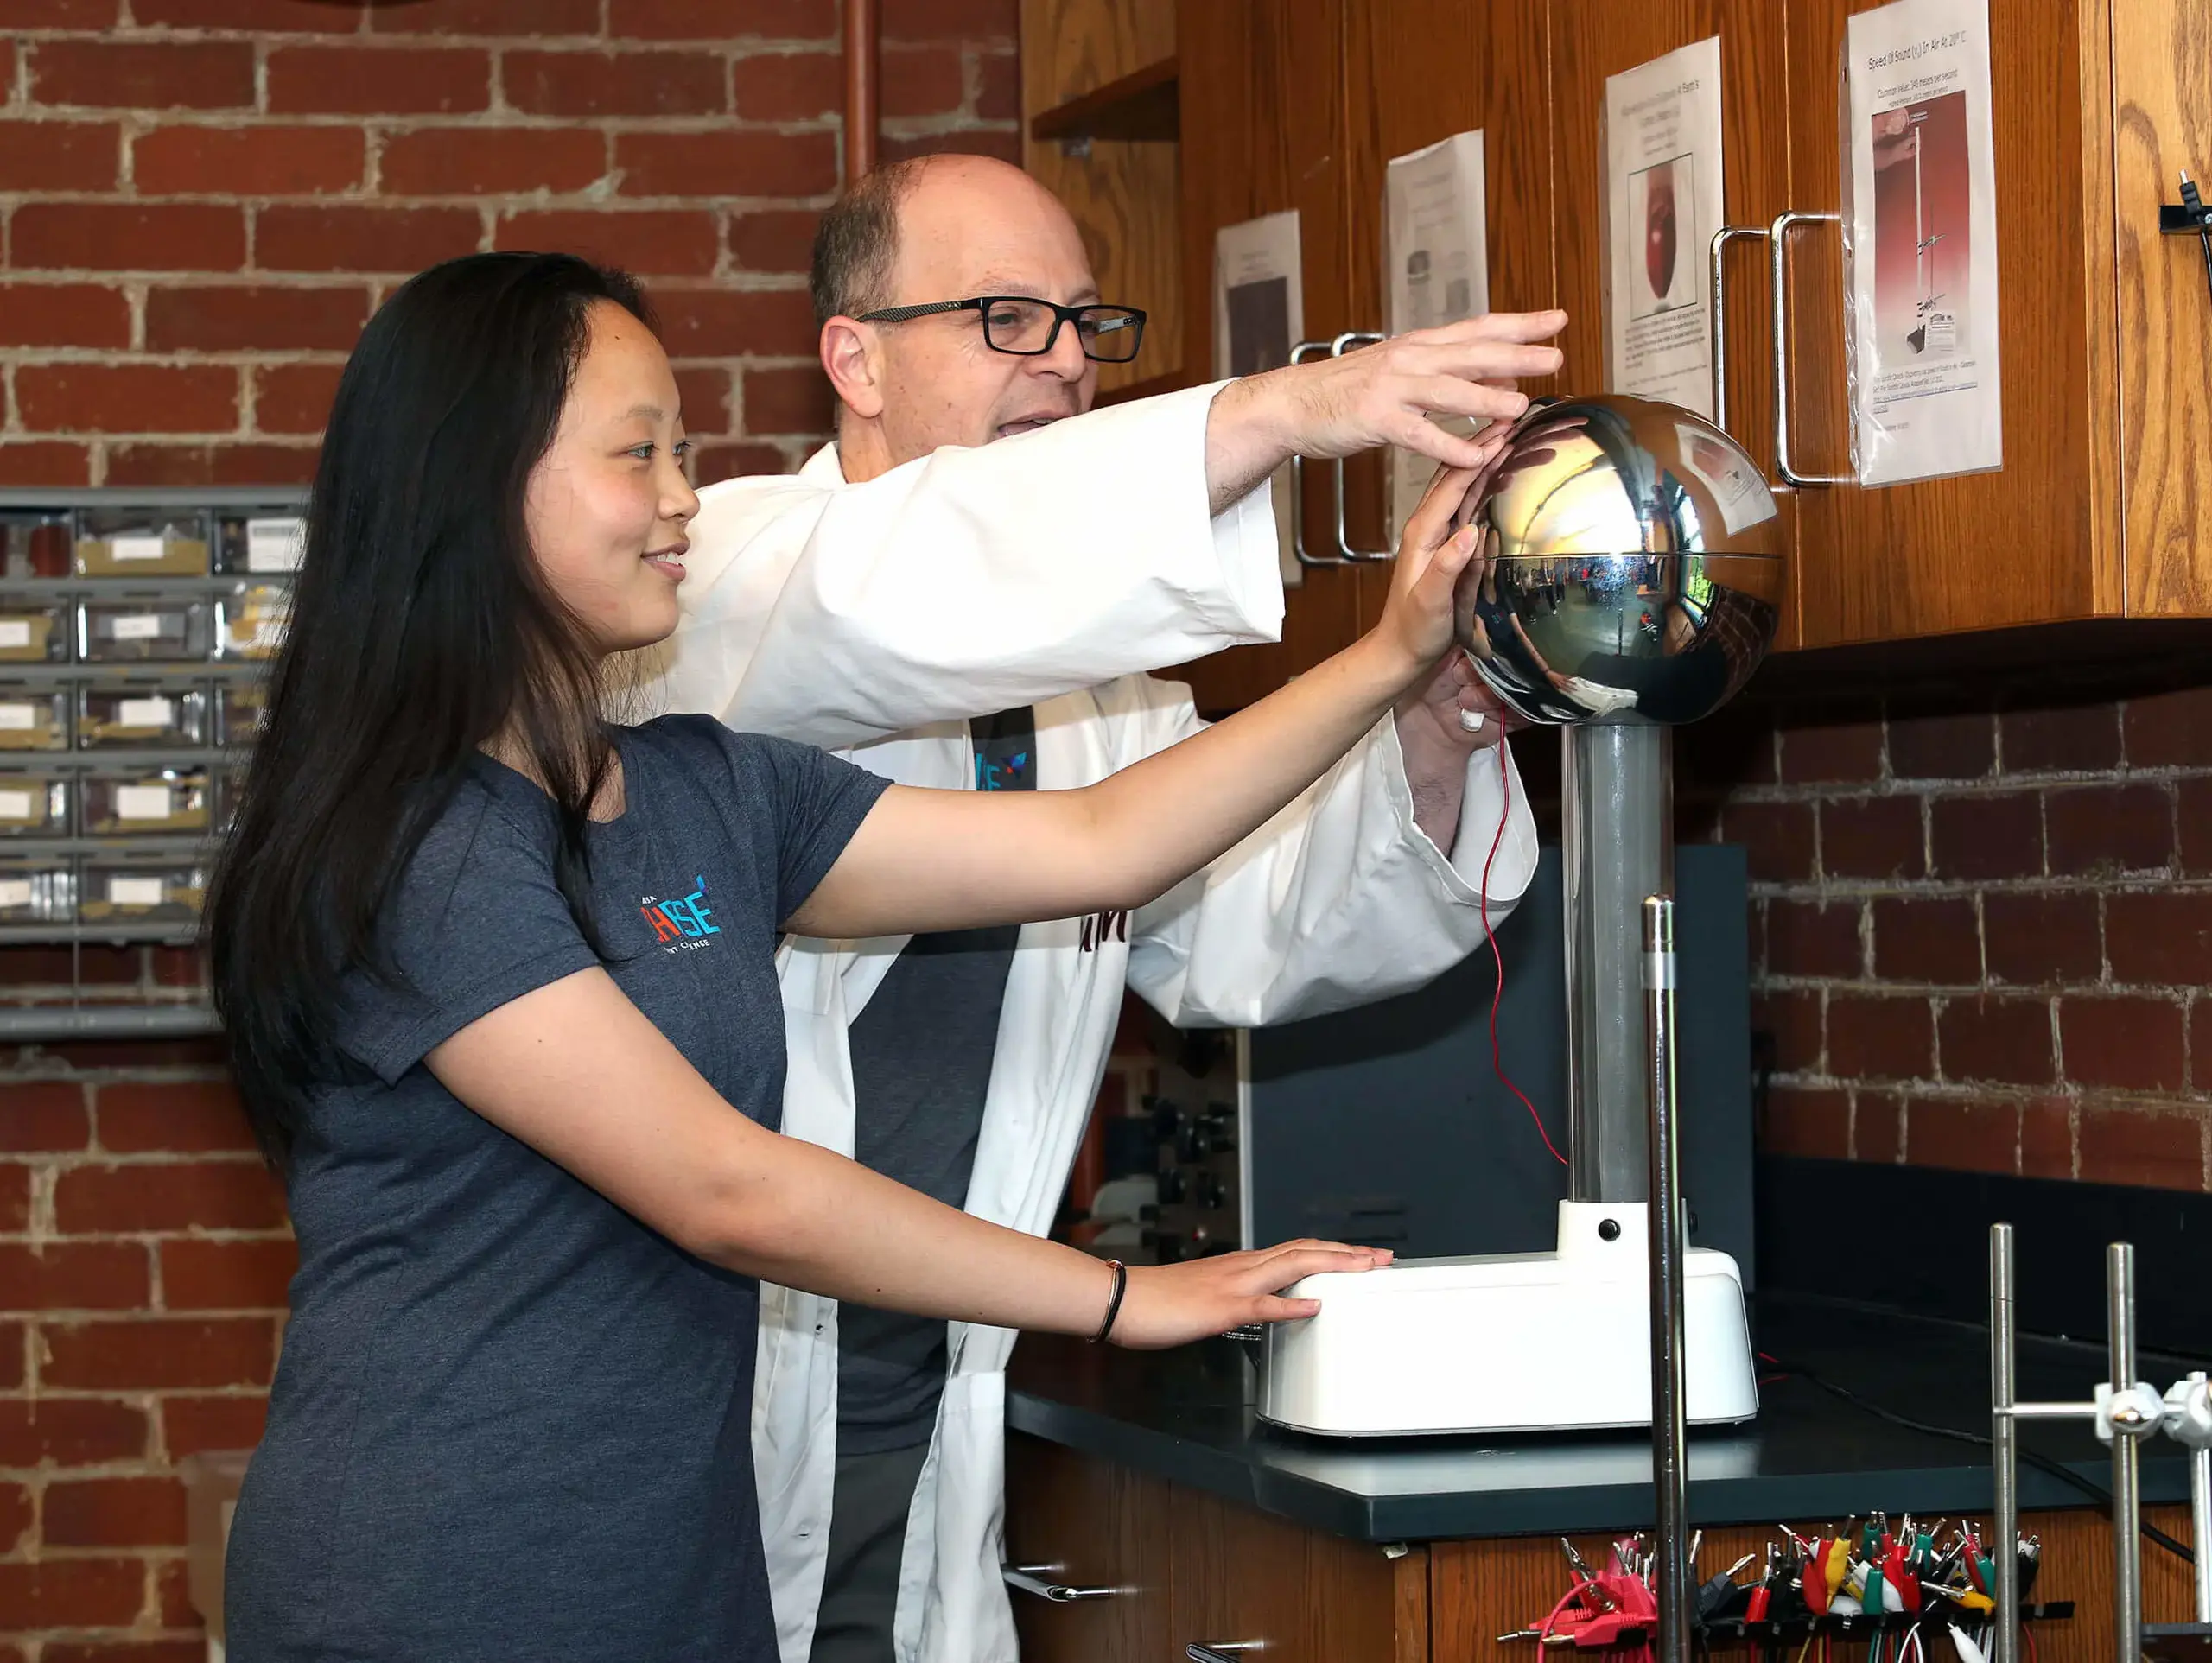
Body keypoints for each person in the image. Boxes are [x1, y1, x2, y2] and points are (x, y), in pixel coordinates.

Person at [203, 251, 1492, 1663]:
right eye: (640, 454)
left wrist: (1388, 657)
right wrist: (1125, 1299)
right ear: (474, 487)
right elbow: (727, 1188)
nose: (688, 497)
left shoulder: (711, 791)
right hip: (438, 1581)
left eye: (684, 449)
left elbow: (1105, 842)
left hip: (670, 1578)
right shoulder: (425, 846)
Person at [639, 153, 1567, 1663]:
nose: (1065, 359)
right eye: (1005, 316)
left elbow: (1256, 932)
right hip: (695, 1404)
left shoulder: (1103, 697)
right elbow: (897, 596)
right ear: (851, 357)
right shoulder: (730, 578)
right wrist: (1292, 405)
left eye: (1084, 322)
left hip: (928, 1413)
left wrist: (1438, 718)